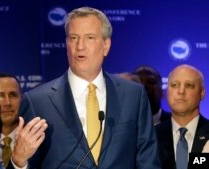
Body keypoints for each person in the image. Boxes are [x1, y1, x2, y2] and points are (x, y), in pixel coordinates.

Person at [10, 7, 160, 169]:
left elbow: (148, 161)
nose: (80, 46)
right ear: (67, 43)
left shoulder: (133, 96)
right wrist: (18, 161)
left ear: (106, 45)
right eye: (73, 38)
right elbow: (27, 161)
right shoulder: (37, 101)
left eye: (89, 38)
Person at [156, 64, 209, 169]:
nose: (181, 91)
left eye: (189, 85)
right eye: (174, 85)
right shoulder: (151, 136)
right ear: (167, 91)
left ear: (202, 93)